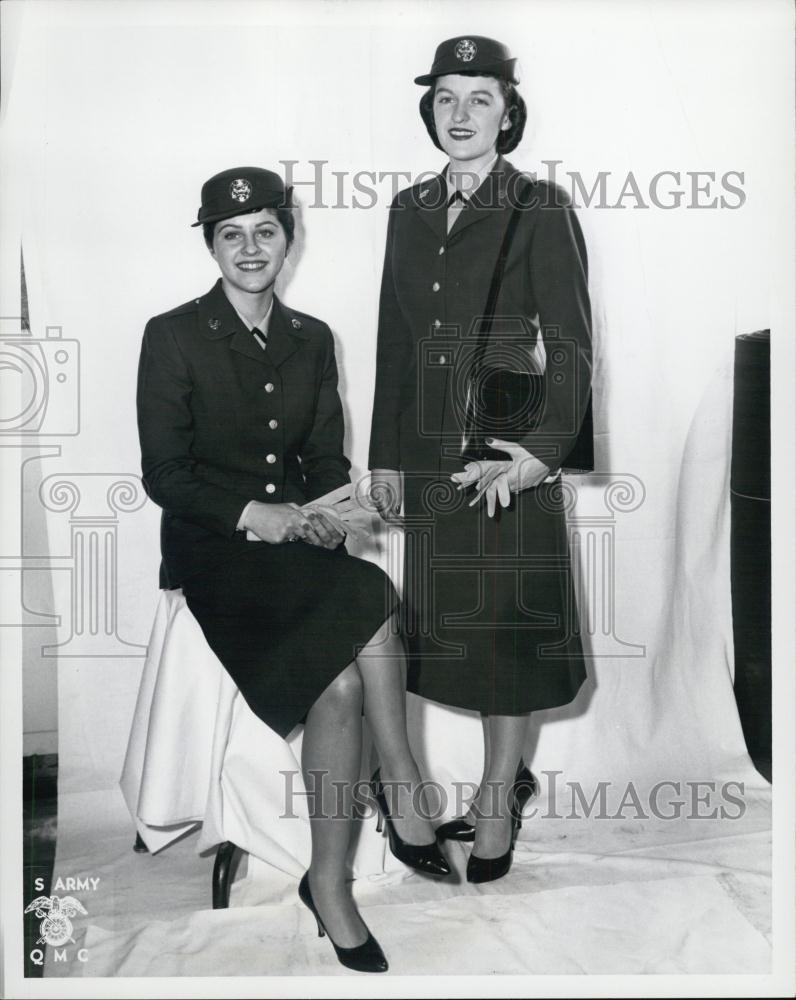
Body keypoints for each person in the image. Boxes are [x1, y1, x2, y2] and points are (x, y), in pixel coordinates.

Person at [136, 166, 451, 974]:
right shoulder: (170, 334)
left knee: (368, 596)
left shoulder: (312, 336)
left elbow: (322, 456)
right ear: (210, 243)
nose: (250, 248)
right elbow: (166, 475)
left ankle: (357, 837)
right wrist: (257, 516)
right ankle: (382, 821)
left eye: (266, 231)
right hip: (217, 551)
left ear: (289, 239)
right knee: (343, 670)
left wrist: (337, 505)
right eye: (231, 234)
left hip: (302, 540)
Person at [368, 37, 594, 884]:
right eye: (446, 98)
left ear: (509, 111)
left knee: (512, 633)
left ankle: (498, 797)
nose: (460, 115)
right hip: (429, 458)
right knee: (452, 634)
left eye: (481, 99)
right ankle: (480, 786)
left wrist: (540, 456)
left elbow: (571, 343)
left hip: (507, 452)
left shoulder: (539, 204)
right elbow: (395, 341)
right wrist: (385, 460)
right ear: (430, 110)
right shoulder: (407, 207)